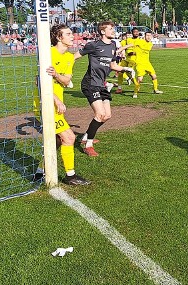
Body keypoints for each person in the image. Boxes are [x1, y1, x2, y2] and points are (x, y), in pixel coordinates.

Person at [34, 24, 90, 185]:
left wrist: (56, 74)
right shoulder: (48, 54)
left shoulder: (68, 57)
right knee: (69, 137)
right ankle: (70, 176)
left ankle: (39, 171)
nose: (72, 36)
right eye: (68, 34)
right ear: (59, 37)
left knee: (57, 140)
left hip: (56, 105)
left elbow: (66, 81)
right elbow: (39, 81)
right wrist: (55, 99)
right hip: (44, 104)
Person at [74, 21, 135, 157]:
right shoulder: (93, 45)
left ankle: (86, 136)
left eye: (113, 29)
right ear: (102, 32)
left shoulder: (113, 45)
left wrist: (126, 69)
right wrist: (65, 73)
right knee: (100, 114)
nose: (113, 31)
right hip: (90, 83)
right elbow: (74, 57)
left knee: (107, 115)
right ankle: (88, 145)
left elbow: (112, 65)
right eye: (110, 29)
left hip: (102, 84)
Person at [132, 31, 164, 98]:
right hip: (140, 63)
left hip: (147, 63)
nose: (149, 37)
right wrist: (121, 50)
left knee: (154, 76)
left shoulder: (150, 44)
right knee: (140, 79)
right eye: (147, 35)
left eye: (150, 35)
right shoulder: (139, 41)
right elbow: (131, 45)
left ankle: (155, 90)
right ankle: (135, 93)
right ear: (144, 36)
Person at [115, 28, 140, 93]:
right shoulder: (124, 41)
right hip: (125, 59)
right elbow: (121, 48)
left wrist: (134, 53)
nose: (136, 33)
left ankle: (137, 85)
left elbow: (141, 50)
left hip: (133, 59)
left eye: (137, 32)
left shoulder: (139, 41)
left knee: (130, 73)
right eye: (127, 35)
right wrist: (122, 53)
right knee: (120, 72)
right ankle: (119, 88)